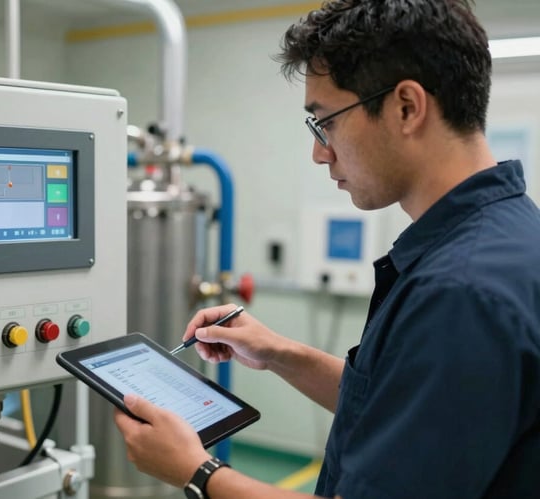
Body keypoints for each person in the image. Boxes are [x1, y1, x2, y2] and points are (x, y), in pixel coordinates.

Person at [113, 0, 540, 498]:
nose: (320, 152)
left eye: (326, 122)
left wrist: (197, 471)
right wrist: (278, 353)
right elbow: (401, 404)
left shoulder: (460, 292)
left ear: (407, 107)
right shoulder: (504, 234)